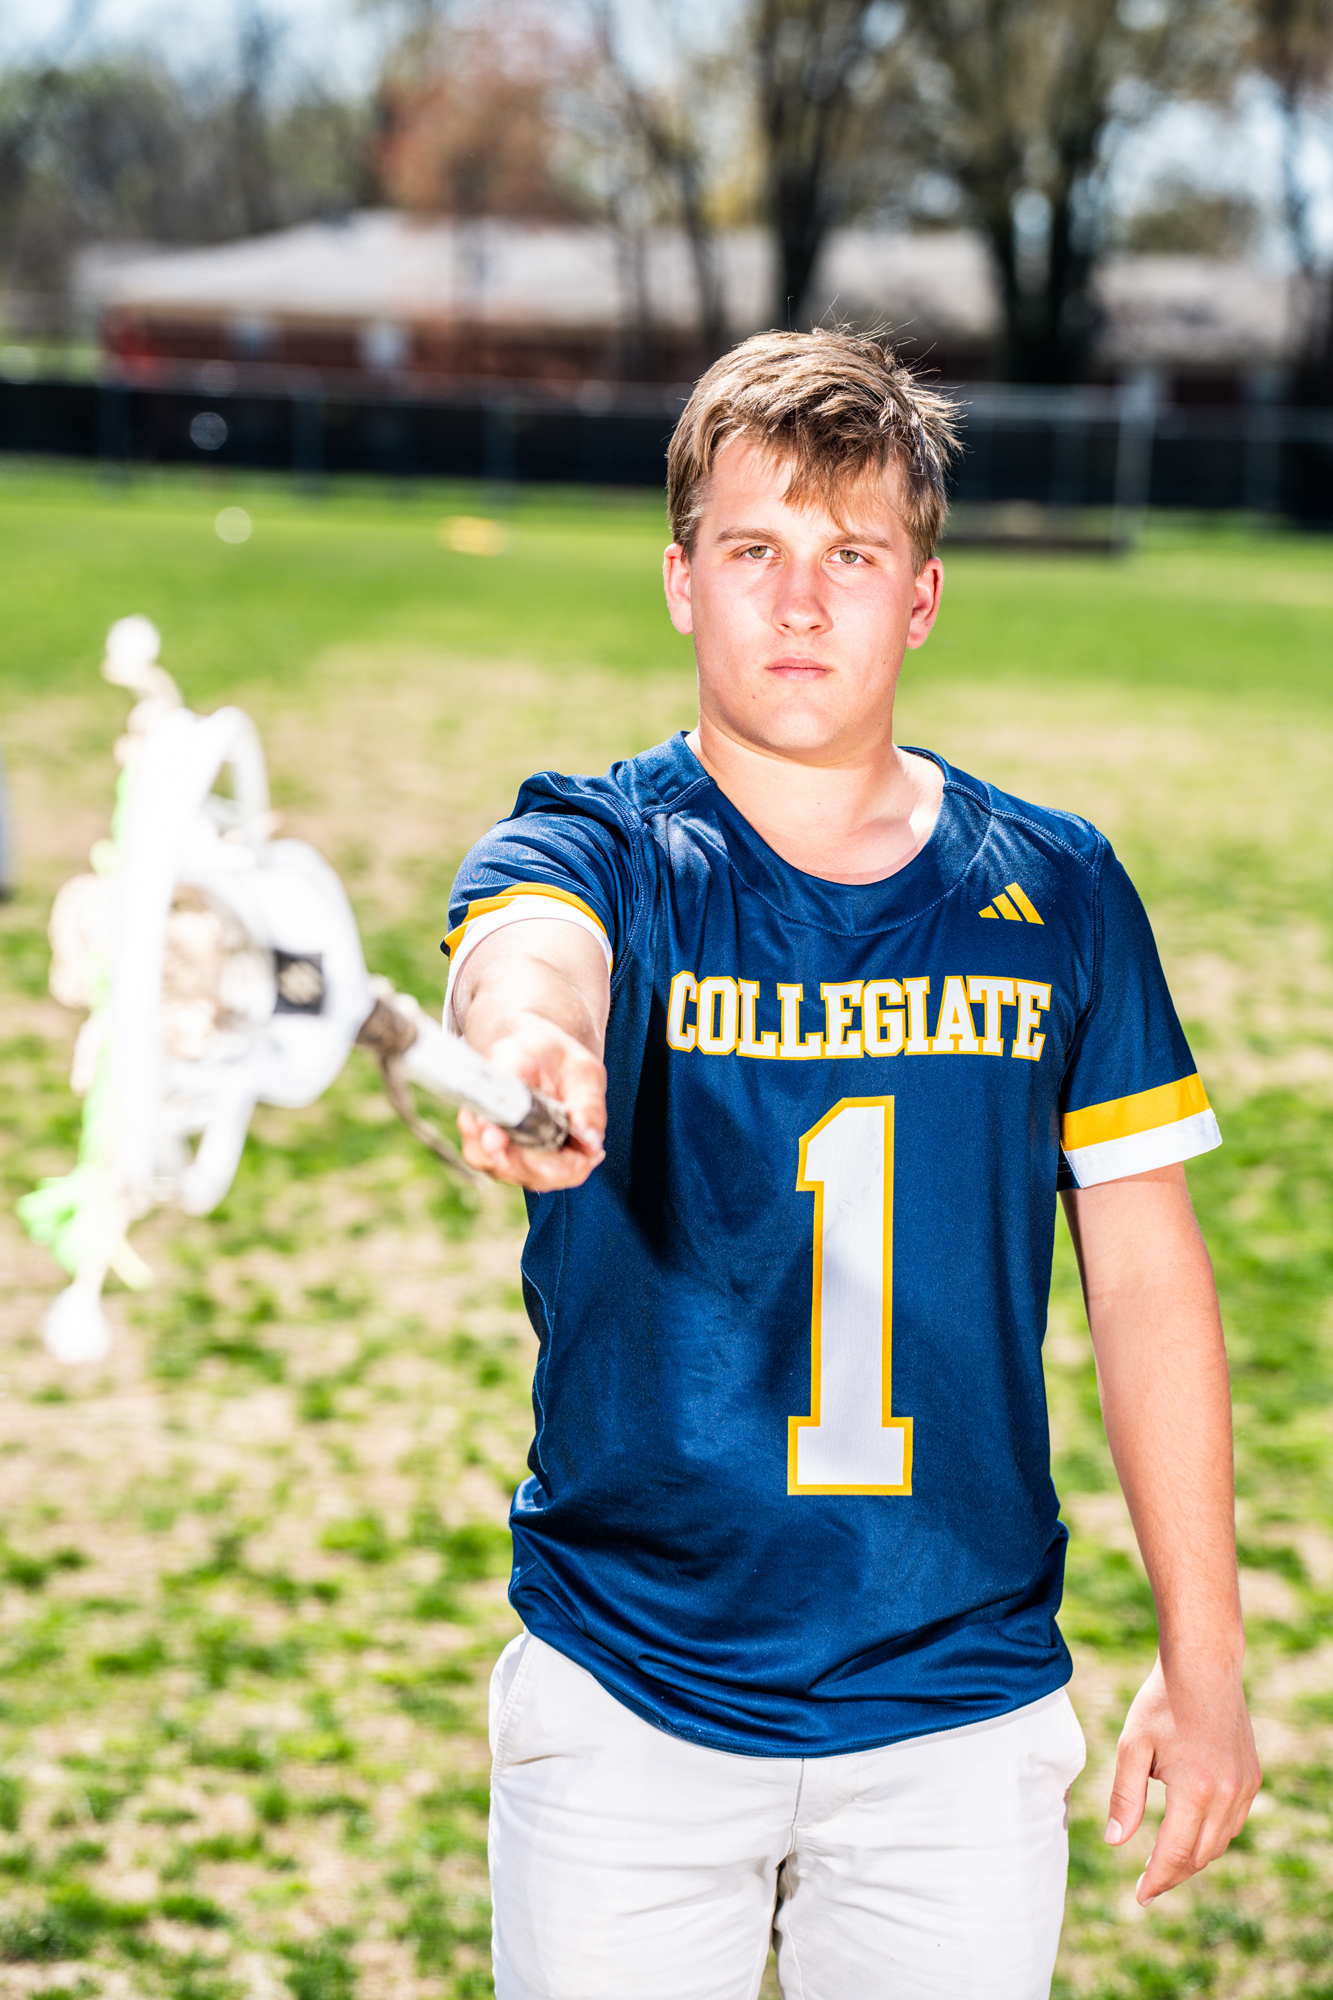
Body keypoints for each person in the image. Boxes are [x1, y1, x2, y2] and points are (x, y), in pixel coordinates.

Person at [442, 330, 1260, 2000]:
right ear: (681, 581)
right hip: (632, 1687)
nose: (801, 604)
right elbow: (527, 953)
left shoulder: (1058, 890)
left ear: (923, 596)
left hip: (953, 1706)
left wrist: (1207, 1657)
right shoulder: (596, 844)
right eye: (754, 552)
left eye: (851, 556)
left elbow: (1146, 1283)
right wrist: (529, 1043)